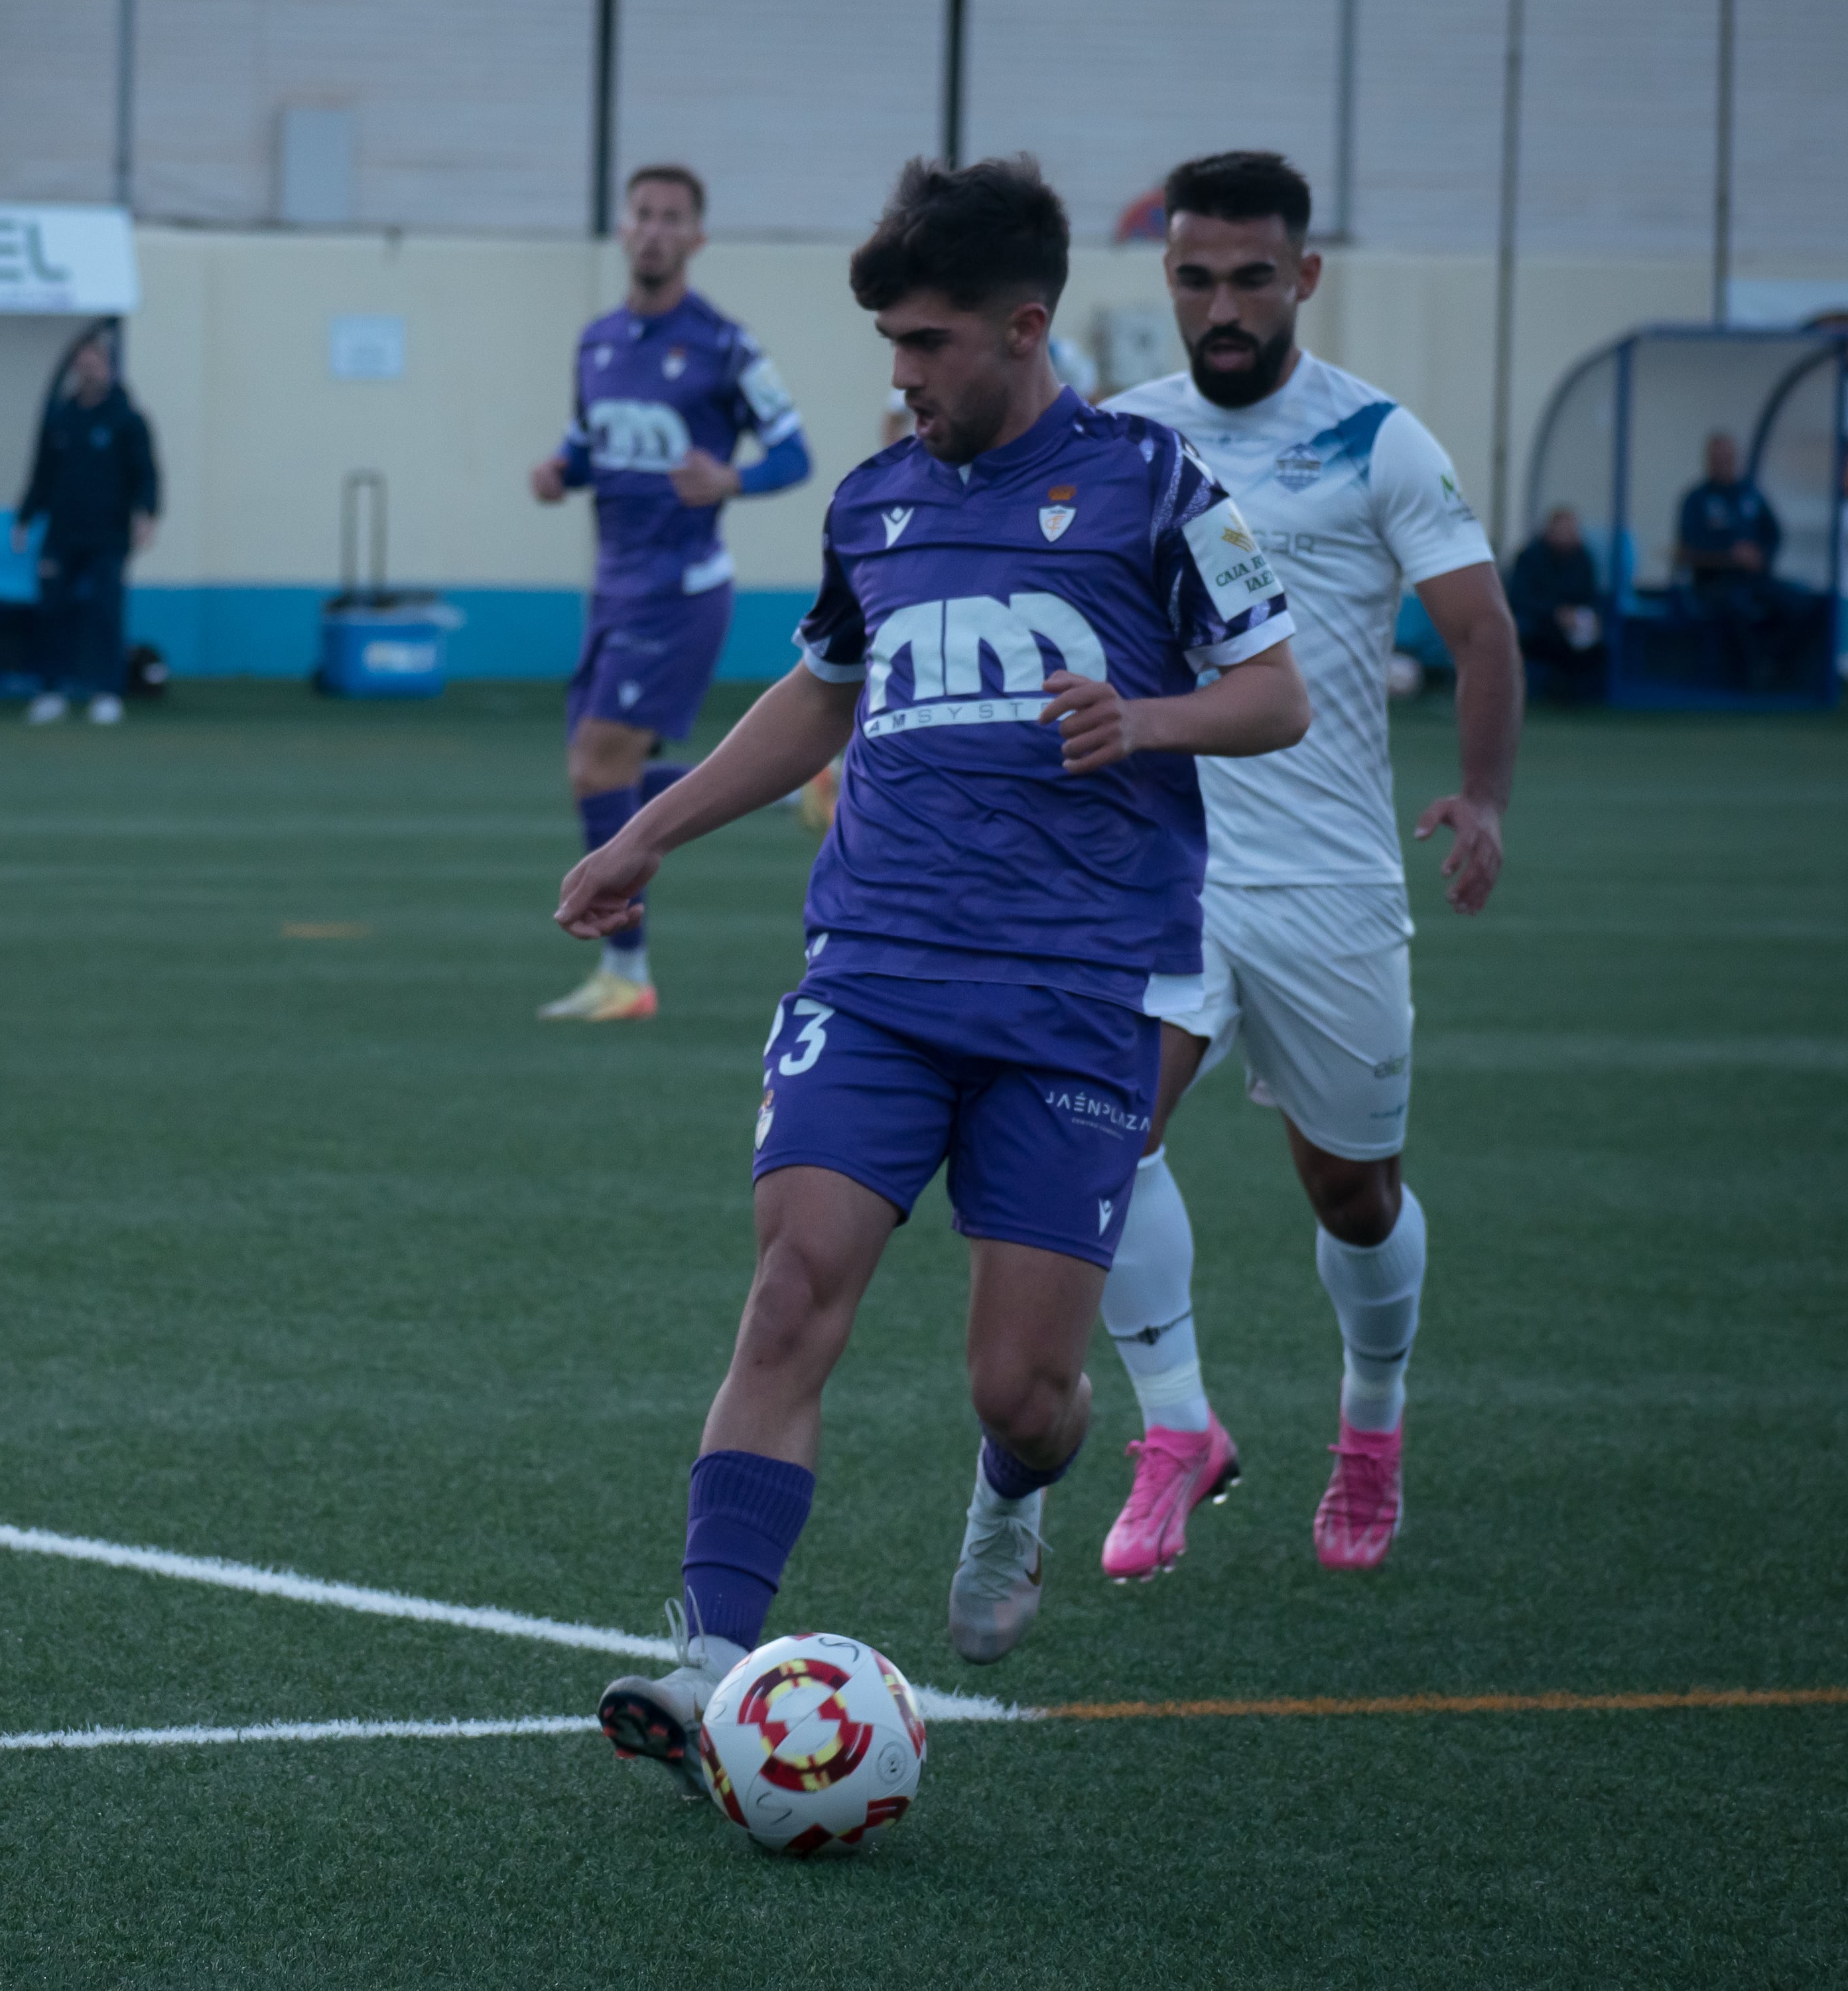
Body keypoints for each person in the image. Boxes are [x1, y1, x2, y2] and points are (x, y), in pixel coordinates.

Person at [566, 157, 1308, 1776]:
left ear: (1024, 327)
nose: (897, 375)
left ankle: (1007, 1504)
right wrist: (649, 837)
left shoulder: (1153, 485)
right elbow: (819, 696)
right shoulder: (873, 501)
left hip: (1071, 995)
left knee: (1025, 1394)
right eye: (887, 345)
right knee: (788, 1295)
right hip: (875, 973)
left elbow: (1277, 694)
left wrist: (1151, 719)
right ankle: (707, 1657)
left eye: (923, 343)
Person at [1092, 149, 1520, 1585]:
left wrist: (1478, 796)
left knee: (1353, 1195)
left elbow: (1480, 632)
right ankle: (1177, 1429)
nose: (1221, 305)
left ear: (1304, 278)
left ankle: (1372, 1425)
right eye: (1195, 277)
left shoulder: (1377, 440)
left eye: (1250, 277)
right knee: (1096, 1139)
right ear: (1169, 279)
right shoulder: (1121, 436)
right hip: (1167, 873)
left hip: (1331, 884)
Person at [527, 163, 813, 1022]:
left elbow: (794, 455)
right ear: (623, 229)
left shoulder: (725, 344)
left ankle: (627, 970)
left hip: (680, 590)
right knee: (606, 774)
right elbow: (588, 444)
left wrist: (732, 478)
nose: (653, 229)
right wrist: (557, 471)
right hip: (612, 586)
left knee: (595, 763)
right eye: (642, 213)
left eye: (672, 217)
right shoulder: (598, 341)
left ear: (696, 237)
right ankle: (808, 786)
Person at [18, 334, 162, 726]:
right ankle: (50, 691)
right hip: (62, 534)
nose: (88, 371)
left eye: (94, 364)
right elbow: (41, 475)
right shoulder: (60, 419)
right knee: (51, 610)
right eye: (81, 364)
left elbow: (145, 475)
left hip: (108, 535)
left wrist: (146, 514)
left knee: (104, 611)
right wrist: (25, 517)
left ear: (109, 369)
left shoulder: (127, 420)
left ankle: (107, 693)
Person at [1676, 433, 1790, 685]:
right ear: (1708, 460)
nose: (1723, 462)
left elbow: (1774, 533)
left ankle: (1779, 665)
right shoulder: (1696, 499)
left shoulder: (1750, 494)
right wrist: (1731, 553)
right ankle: (1751, 675)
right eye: (1717, 457)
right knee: (1738, 607)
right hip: (1714, 584)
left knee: (1798, 603)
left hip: (1755, 580)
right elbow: (1690, 542)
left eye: (1727, 457)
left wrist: (1761, 554)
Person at [1508, 504, 1606, 700]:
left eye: (1572, 530)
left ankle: (1575, 694)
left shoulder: (1583, 558)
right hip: (1538, 623)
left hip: (1574, 626)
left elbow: (1590, 595)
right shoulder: (1530, 557)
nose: (1567, 535)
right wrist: (1555, 612)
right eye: (1562, 530)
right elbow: (1519, 597)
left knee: (1597, 642)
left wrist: (1587, 615)